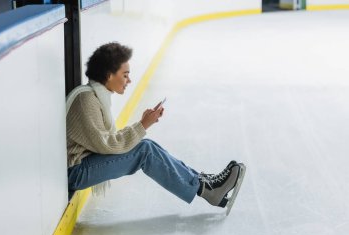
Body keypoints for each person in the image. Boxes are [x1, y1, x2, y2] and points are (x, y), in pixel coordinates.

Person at [66, 42, 246, 215]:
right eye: (125, 75)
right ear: (109, 75)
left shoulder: (94, 95)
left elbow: (105, 141)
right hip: (76, 172)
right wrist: (143, 125)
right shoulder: (87, 100)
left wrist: (142, 123)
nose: (129, 80)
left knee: (146, 145)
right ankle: (207, 190)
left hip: (85, 163)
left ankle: (202, 181)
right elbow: (107, 145)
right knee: (145, 150)